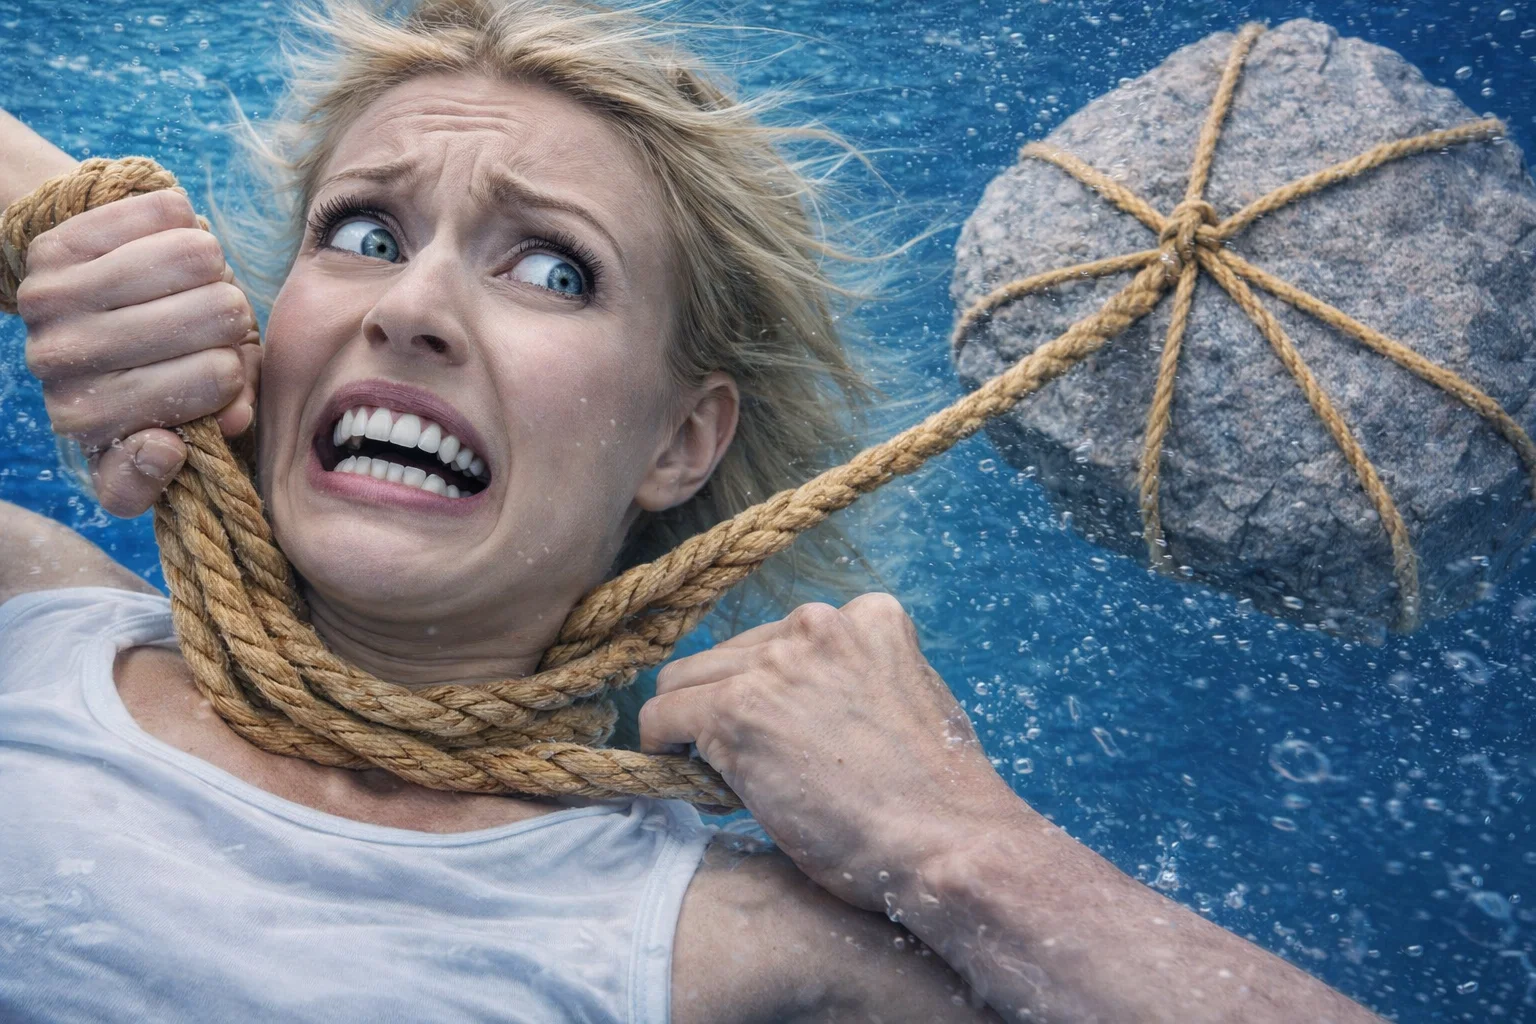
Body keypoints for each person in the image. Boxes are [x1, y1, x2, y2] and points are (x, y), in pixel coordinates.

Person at [0, 2, 1384, 1021]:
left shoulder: (733, 944)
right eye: (362, 234)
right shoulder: (26, 618)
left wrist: (965, 849)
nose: (410, 307)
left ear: (682, 442)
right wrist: (56, 223)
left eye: (551, 272)